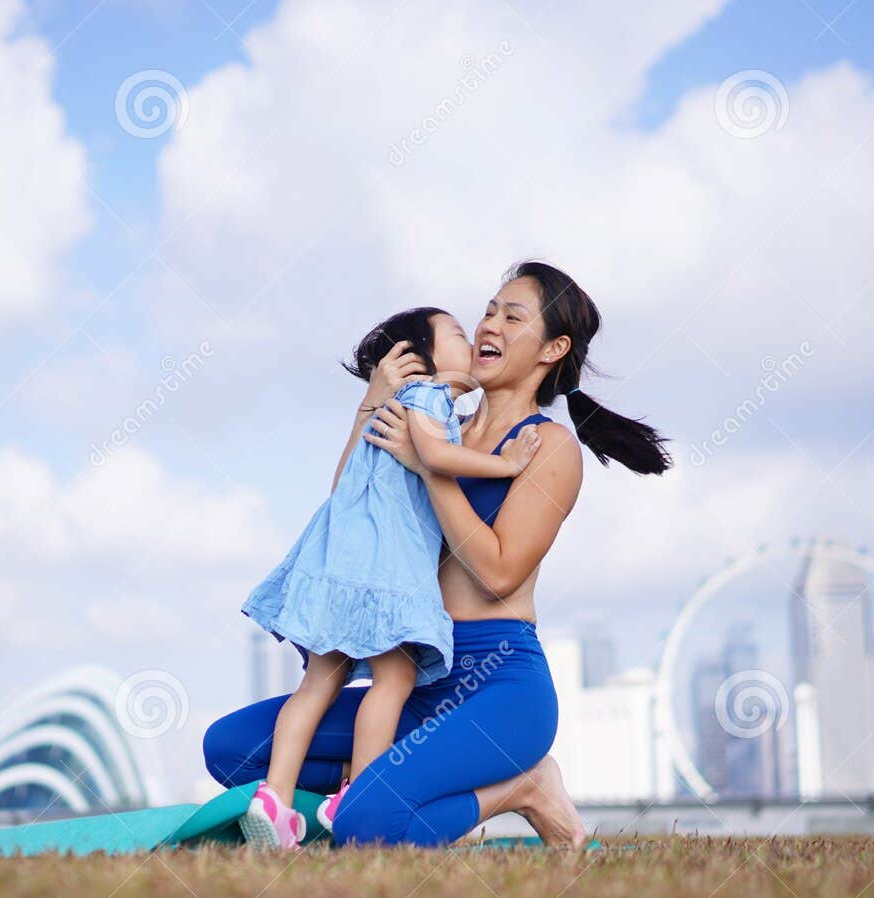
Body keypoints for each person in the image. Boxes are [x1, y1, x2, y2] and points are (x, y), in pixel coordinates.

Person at [206, 261, 671, 848]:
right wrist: (370, 406)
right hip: (415, 675)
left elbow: (500, 572)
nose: (489, 325)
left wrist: (429, 469)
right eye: (489, 310)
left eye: (513, 316)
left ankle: (522, 787)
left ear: (554, 348)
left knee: (367, 825)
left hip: (498, 684)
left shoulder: (546, 447)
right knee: (231, 748)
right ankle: (378, 795)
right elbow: (353, 517)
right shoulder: (437, 423)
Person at [238, 307, 540, 850]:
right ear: (417, 358)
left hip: (335, 570)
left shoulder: (393, 406)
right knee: (394, 681)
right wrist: (508, 466)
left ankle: (275, 799)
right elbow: (436, 456)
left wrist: (371, 403)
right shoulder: (428, 400)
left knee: (317, 684)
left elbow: (344, 486)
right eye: (454, 333)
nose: (471, 335)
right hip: (386, 576)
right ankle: (360, 788)